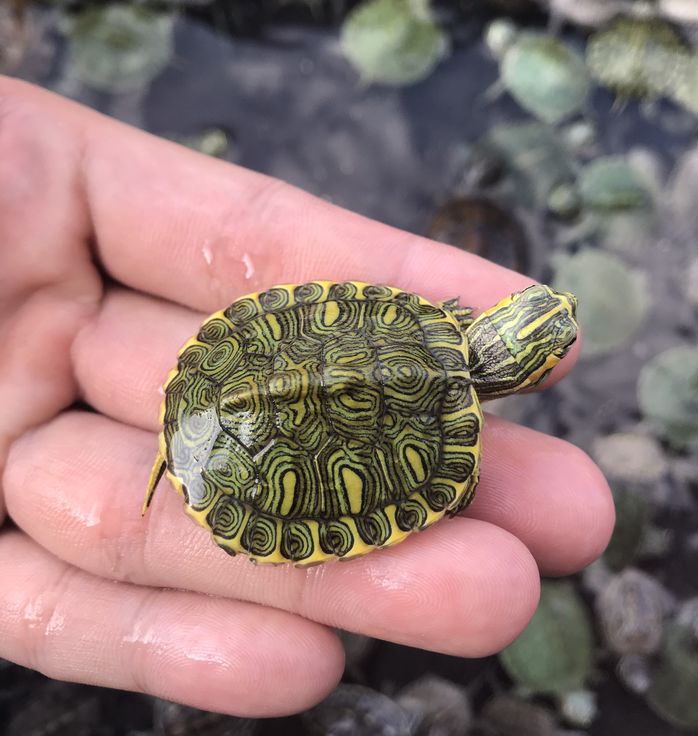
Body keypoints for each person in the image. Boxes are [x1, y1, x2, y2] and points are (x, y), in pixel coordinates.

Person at [0, 77, 614, 717]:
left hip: (231, 378)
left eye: (531, 315)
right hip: (236, 439)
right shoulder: (451, 449)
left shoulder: (415, 318)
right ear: (516, 368)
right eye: (535, 316)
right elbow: (436, 493)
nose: (553, 303)